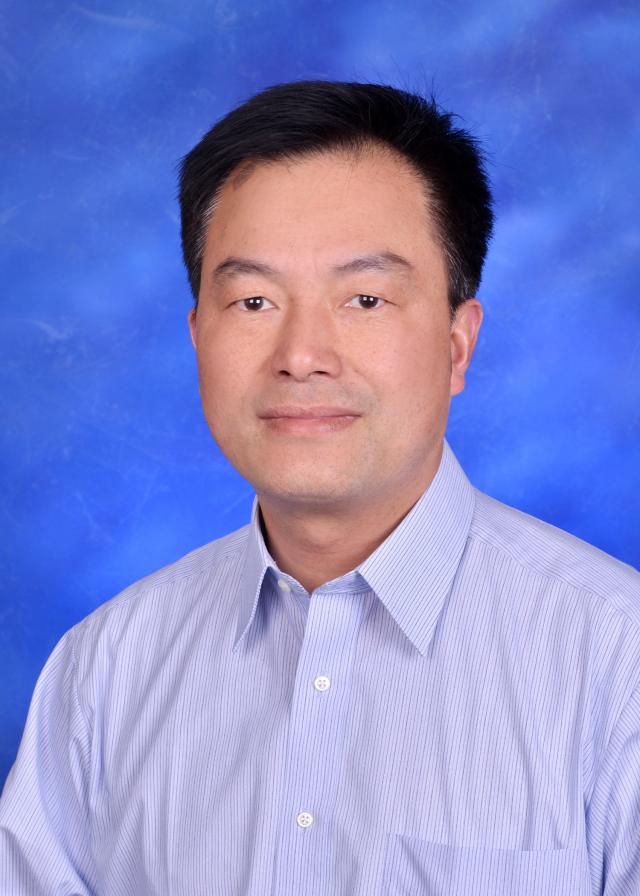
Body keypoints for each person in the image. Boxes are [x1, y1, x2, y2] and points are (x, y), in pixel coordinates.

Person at [0, 79, 638, 896]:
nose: (302, 355)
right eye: (254, 300)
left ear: (457, 344)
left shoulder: (617, 663)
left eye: (364, 298)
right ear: (198, 335)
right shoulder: (105, 670)